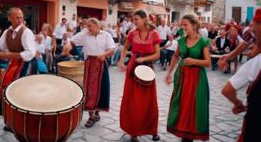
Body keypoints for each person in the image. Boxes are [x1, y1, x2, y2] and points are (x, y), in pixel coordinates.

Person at [165, 15, 211, 142]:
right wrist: (169, 73)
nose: (183, 27)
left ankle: (190, 134)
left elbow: (208, 62)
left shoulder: (203, 41)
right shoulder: (181, 41)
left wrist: (194, 61)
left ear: (194, 25)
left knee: (194, 106)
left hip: (197, 79)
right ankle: (184, 132)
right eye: (182, 25)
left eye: (185, 25)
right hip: (182, 77)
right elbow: (175, 56)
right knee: (181, 104)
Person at [63, 17, 115, 128]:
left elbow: (112, 49)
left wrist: (104, 55)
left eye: (90, 26)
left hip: (101, 64)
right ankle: (91, 116)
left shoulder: (106, 35)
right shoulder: (85, 34)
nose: (88, 28)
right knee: (89, 90)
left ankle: (97, 113)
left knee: (102, 89)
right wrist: (68, 46)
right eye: (87, 26)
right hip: (89, 64)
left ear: (97, 26)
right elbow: (73, 41)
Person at [119, 10, 161, 142]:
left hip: (147, 68)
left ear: (144, 19)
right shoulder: (132, 33)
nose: (134, 22)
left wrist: (143, 60)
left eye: (136, 19)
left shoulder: (154, 34)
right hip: (133, 68)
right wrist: (121, 62)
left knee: (149, 100)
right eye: (133, 19)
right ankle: (134, 131)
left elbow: (157, 55)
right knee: (133, 100)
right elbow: (125, 48)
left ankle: (152, 129)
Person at [222, 8, 261, 142]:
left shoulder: (256, 63)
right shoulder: (250, 35)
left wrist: (239, 104)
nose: (251, 27)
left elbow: (227, 90)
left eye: (253, 24)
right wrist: (228, 57)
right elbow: (245, 43)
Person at [0, 7, 36, 117]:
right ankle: (9, 117)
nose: (20, 20)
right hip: (14, 64)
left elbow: (30, 53)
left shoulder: (27, 32)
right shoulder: (7, 32)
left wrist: (6, 54)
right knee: (5, 87)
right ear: (9, 18)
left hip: (27, 64)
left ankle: (21, 119)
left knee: (21, 92)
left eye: (21, 17)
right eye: (17, 18)